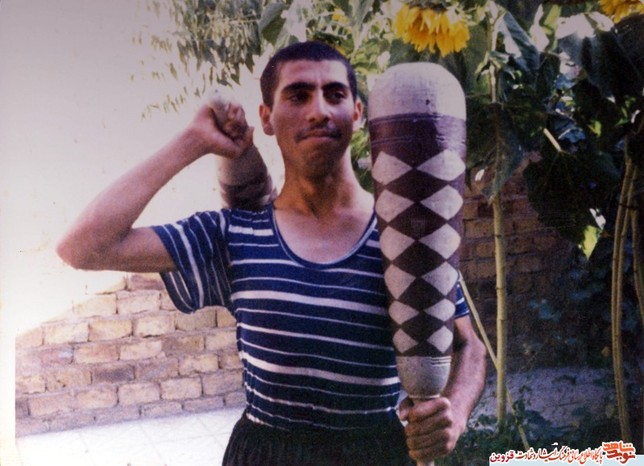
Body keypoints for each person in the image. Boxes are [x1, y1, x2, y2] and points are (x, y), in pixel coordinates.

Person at [57, 41, 486, 465]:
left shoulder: (408, 231)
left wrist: (455, 413)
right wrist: (194, 141)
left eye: (335, 94)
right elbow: (84, 247)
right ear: (266, 117)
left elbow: (469, 346)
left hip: (376, 452)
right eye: (298, 95)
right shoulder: (233, 233)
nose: (319, 110)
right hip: (264, 453)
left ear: (357, 113)